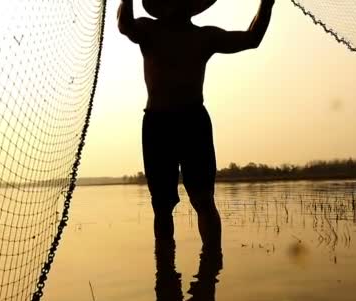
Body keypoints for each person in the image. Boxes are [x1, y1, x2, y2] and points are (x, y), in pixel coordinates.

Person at [117, 0, 275, 250]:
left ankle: (211, 269)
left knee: (203, 200)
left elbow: (252, 38)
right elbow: (124, 25)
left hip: (193, 122)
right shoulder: (149, 30)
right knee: (162, 206)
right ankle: (166, 272)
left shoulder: (204, 36)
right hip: (158, 124)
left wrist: (267, 4)